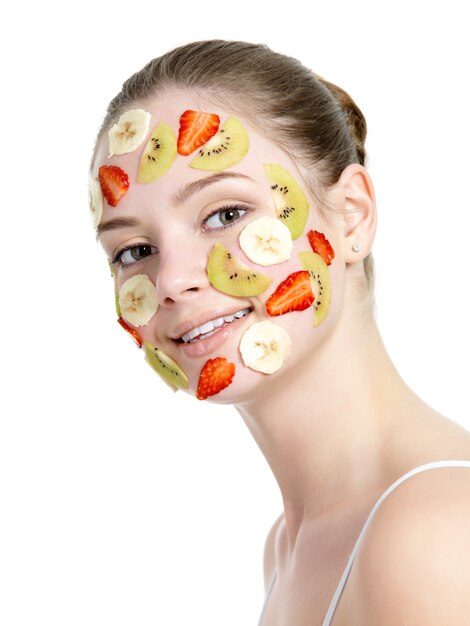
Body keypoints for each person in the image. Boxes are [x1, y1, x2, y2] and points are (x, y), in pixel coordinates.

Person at [88, 40, 470, 624]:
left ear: (352, 217)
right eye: (134, 250)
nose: (171, 279)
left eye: (225, 214)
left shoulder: (433, 533)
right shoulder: (285, 548)